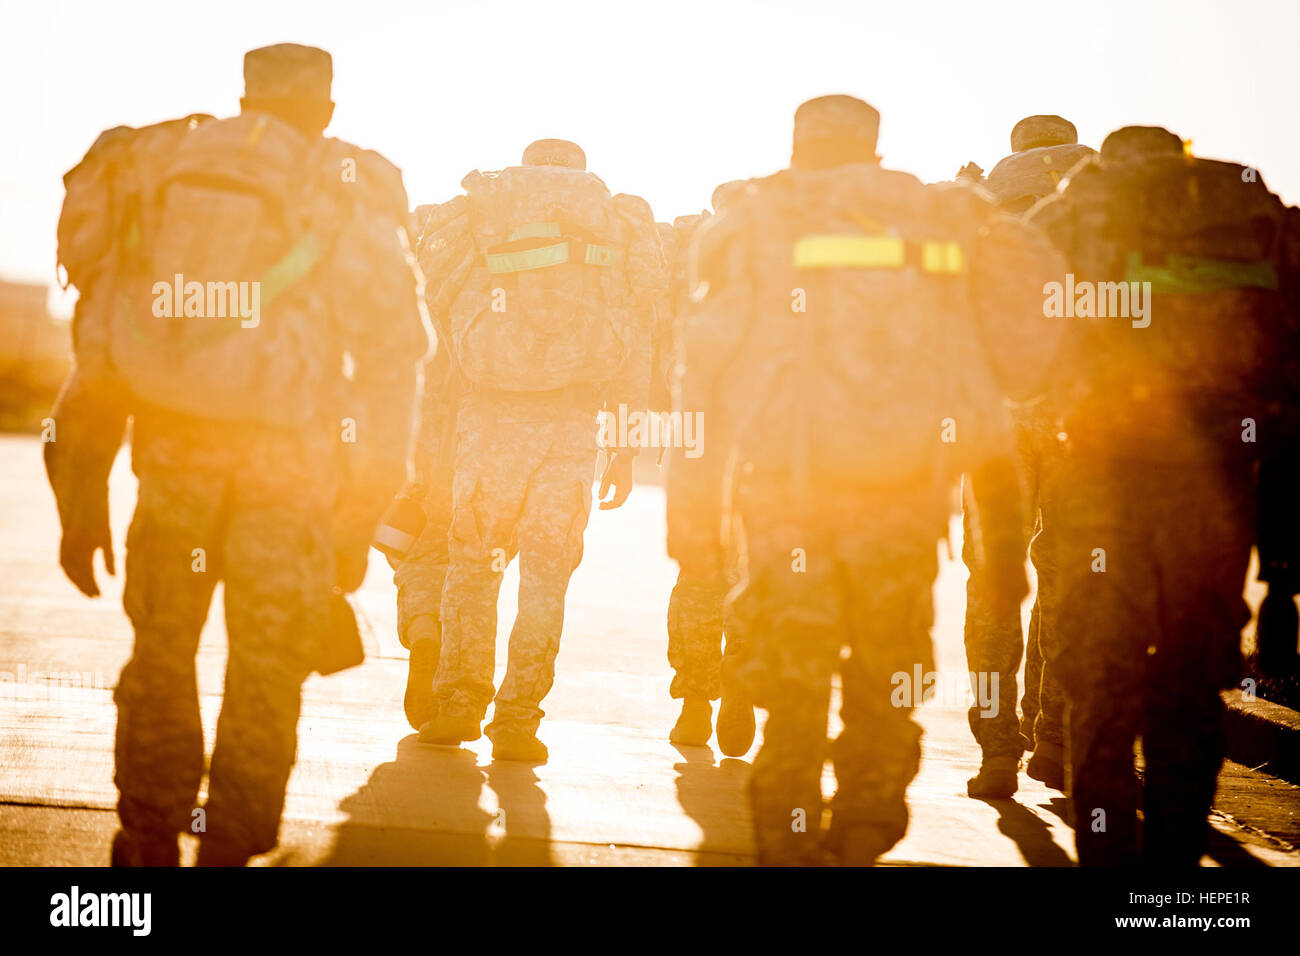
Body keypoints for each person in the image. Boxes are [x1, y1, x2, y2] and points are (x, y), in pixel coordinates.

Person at [45, 43, 428, 866]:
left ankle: (146, 839)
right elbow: (395, 361)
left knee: (160, 651)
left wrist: (80, 504)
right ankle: (230, 847)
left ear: (245, 96)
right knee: (267, 665)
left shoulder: (160, 167)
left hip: (173, 465)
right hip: (289, 477)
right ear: (326, 110)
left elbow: (103, 347)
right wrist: (359, 519)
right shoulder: (340, 185)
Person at [669, 95, 1064, 864]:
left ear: (796, 145)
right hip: (904, 497)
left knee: (792, 680)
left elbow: (703, 375)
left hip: (788, 496)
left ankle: (787, 840)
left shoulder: (752, 219)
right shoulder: (942, 217)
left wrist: (692, 519)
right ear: (876, 149)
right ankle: (862, 829)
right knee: (888, 675)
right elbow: (1015, 356)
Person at [1028, 125, 1300, 864]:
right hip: (1217, 474)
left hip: (1101, 474)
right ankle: (1173, 868)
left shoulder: (1073, 208)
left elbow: (1018, 349)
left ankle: (1108, 850)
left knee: (1101, 672)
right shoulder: (1249, 209)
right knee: (1191, 669)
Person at [414, 139, 667, 762]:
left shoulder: (487, 216)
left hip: (489, 413)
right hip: (574, 422)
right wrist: (627, 447)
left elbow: (441, 316)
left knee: (474, 566)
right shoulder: (610, 226)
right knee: (546, 578)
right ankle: (519, 721)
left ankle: (457, 704)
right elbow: (640, 332)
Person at [963, 115, 1095, 797]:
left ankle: (996, 750)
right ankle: (1058, 739)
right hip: (1085, 420)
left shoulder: (981, 207)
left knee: (992, 581)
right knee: (1070, 576)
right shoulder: (1108, 205)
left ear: (1015, 149)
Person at [663, 181, 756, 755]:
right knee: (757, 578)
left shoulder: (700, 272)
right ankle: (742, 687)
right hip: (782, 454)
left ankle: (696, 701)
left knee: (698, 577)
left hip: (709, 444)